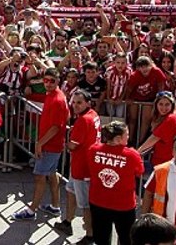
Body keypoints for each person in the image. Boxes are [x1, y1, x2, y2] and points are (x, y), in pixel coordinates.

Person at [13, 66, 68, 220]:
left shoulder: (58, 99)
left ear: (58, 81)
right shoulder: (52, 95)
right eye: (46, 80)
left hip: (50, 145)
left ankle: (31, 210)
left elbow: (56, 127)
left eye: (52, 81)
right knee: (51, 174)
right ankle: (55, 206)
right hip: (51, 144)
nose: (48, 83)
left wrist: (39, 143)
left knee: (39, 176)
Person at [87, 120, 144, 245]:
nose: (128, 137)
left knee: (101, 238)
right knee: (127, 238)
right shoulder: (132, 155)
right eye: (126, 135)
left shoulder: (93, 149)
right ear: (118, 138)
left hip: (98, 201)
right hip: (123, 205)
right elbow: (140, 171)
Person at [56, 88, 100, 242]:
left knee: (85, 204)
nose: (75, 105)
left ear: (88, 102)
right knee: (70, 191)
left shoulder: (83, 120)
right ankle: (67, 221)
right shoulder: (93, 115)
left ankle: (90, 235)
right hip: (80, 165)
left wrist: (66, 142)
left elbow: (73, 145)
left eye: (79, 103)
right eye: (73, 102)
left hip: (82, 168)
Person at [137, 92, 176, 171]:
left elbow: (154, 138)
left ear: (172, 105)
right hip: (161, 159)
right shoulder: (164, 116)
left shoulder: (171, 118)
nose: (164, 108)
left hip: (166, 162)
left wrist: (138, 152)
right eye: (161, 104)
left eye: (167, 104)